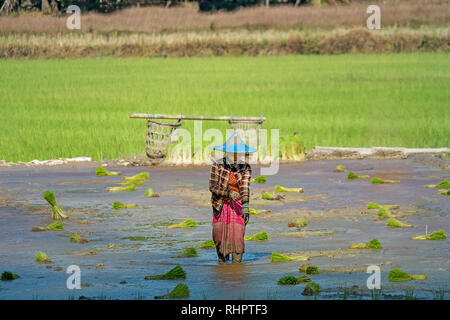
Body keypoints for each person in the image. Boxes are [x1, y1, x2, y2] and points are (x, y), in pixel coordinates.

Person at [209, 132, 256, 264]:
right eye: (232, 154)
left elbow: (245, 188)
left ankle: (236, 267)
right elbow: (212, 187)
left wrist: (246, 207)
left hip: (237, 204)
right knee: (219, 236)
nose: (236, 157)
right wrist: (228, 193)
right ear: (227, 153)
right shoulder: (217, 165)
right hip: (220, 203)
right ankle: (222, 262)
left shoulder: (245, 168)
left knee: (238, 236)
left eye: (238, 154)